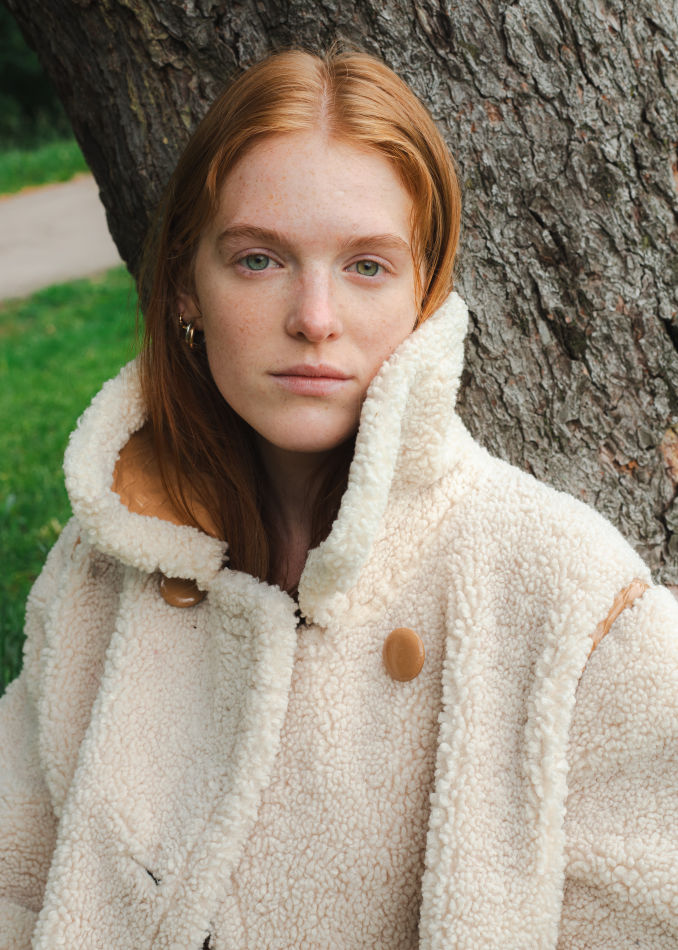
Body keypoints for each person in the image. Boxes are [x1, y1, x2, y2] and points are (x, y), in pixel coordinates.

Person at [0, 47, 676, 950]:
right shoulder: (103, 568)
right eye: (258, 259)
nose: (314, 318)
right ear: (185, 288)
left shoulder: (566, 593)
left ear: (424, 293)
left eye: (366, 266)